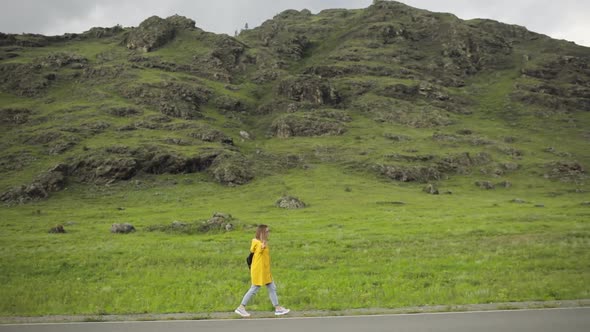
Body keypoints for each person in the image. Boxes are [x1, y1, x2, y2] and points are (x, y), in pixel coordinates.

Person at [235, 224, 290, 317]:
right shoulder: (257, 243)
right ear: (262, 232)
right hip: (258, 271)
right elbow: (259, 249)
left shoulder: (261, 242)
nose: (268, 233)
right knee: (254, 289)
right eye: (267, 231)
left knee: (272, 288)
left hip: (264, 271)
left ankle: (278, 308)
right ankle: (241, 308)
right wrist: (263, 245)